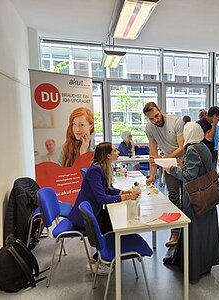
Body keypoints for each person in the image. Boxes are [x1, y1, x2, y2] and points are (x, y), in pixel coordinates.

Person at [68, 142, 140, 275]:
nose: (117, 151)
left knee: (115, 221)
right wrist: (128, 197)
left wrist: (122, 193)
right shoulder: (96, 170)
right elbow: (102, 198)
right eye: (114, 150)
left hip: (93, 211)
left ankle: (106, 256)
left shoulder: (102, 167)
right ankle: (97, 260)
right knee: (114, 225)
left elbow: (107, 190)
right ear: (107, 156)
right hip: (83, 218)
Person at [162, 122, 219, 282]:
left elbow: (189, 175)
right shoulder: (203, 147)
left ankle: (192, 267)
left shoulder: (191, 149)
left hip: (195, 196)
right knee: (206, 231)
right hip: (207, 195)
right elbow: (199, 169)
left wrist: (172, 170)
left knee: (193, 230)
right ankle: (204, 263)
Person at [143, 102, 184, 248]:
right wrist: (152, 176)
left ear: (160, 110)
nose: (155, 121)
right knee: (173, 197)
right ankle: (175, 233)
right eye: (151, 119)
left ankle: (189, 232)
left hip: (186, 164)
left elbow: (181, 148)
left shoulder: (176, 121)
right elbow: (153, 154)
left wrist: (164, 159)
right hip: (169, 165)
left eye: (156, 116)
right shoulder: (150, 128)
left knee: (188, 198)